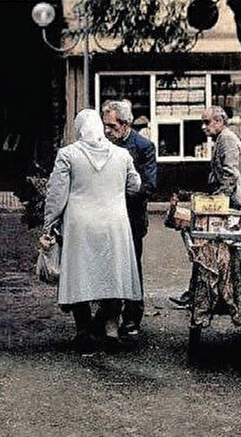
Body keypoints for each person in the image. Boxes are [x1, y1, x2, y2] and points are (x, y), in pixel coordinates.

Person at [42, 109, 142, 352]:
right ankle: (111, 330)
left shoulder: (68, 155)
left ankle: (84, 330)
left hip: (80, 226)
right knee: (112, 275)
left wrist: (48, 224)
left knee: (80, 276)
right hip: (114, 225)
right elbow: (135, 185)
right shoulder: (121, 154)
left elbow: (57, 194)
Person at [169, 106, 241, 307]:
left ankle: (204, 296)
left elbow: (231, 175)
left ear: (220, 121)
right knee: (206, 249)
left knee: (208, 250)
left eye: (207, 122)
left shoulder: (227, 140)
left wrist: (218, 203)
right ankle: (199, 294)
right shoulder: (222, 139)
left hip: (230, 205)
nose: (203, 127)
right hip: (225, 202)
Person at [102, 100, 157, 337]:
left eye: (112, 126)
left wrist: (119, 194)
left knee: (132, 265)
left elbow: (149, 185)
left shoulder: (143, 146)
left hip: (132, 216)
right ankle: (109, 313)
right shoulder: (103, 144)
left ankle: (133, 316)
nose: (107, 131)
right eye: (105, 126)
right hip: (107, 217)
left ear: (125, 124)